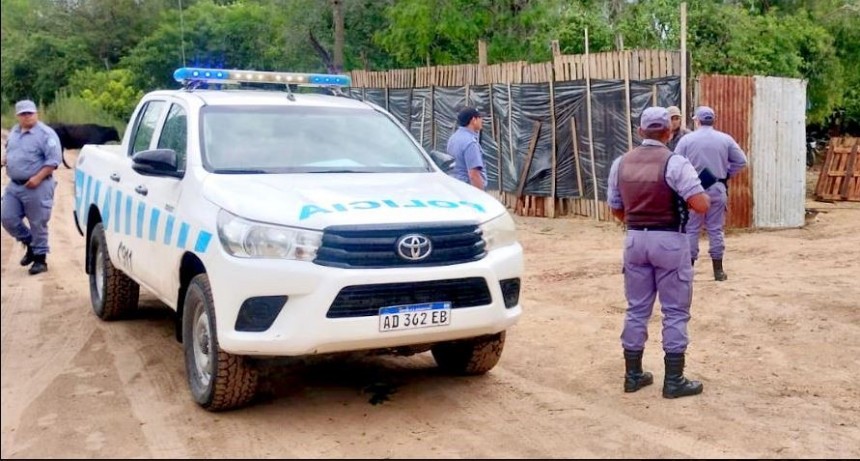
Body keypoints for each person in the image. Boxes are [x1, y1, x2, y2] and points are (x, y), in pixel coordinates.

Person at [607, 106, 710, 399]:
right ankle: (674, 380)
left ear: (640, 131)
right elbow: (701, 204)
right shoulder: (675, 163)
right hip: (669, 241)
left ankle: (633, 375)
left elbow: (616, 207)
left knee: (637, 309)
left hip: (634, 239)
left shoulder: (621, 163)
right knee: (675, 311)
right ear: (668, 132)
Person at [674, 106, 748, 281]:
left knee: (691, 229)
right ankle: (718, 271)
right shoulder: (726, 139)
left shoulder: (686, 140)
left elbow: (675, 164)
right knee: (715, 229)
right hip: (717, 188)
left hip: (693, 190)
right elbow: (742, 161)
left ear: (697, 121)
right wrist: (727, 173)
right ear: (713, 120)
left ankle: (688, 271)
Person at [1, 100, 62, 275]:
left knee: (38, 222)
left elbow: (53, 160)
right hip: (15, 185)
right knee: (7, 217)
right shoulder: (14, 132)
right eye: (23, 114)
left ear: (36, 113)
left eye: (30, 113)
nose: (27, 116)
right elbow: (10, 152)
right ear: (17, 116)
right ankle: (30, 244)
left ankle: (40, 260)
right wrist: (4, 161)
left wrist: (37, 178)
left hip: (38, 185)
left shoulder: (46, 134)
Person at [446, 107, 486, 190]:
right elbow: (473, 175)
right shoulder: (470, 143)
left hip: (455, 187)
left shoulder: (453, 138)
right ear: (473, 120)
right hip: (468, 189)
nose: (481, 120)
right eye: (479, 118)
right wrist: (481, 196)